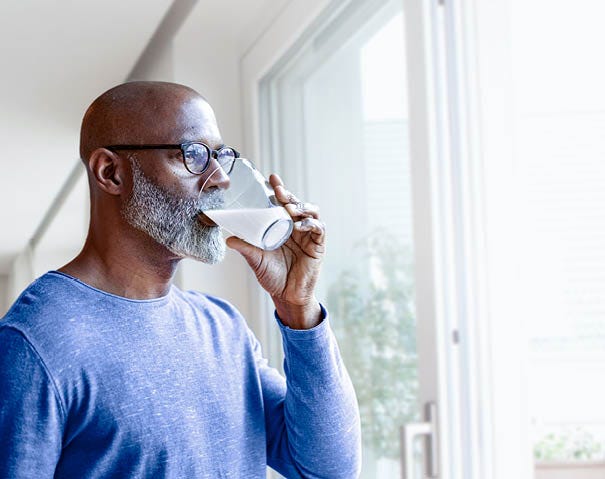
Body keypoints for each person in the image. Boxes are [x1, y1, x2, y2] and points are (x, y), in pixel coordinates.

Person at [0, 81, 361, 478]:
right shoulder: (35, 341)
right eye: (194, 155)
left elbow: (329, 469)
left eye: (222, 157)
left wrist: (299, 307)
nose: (221, 179)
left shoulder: (223, 328)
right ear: (111, 173)